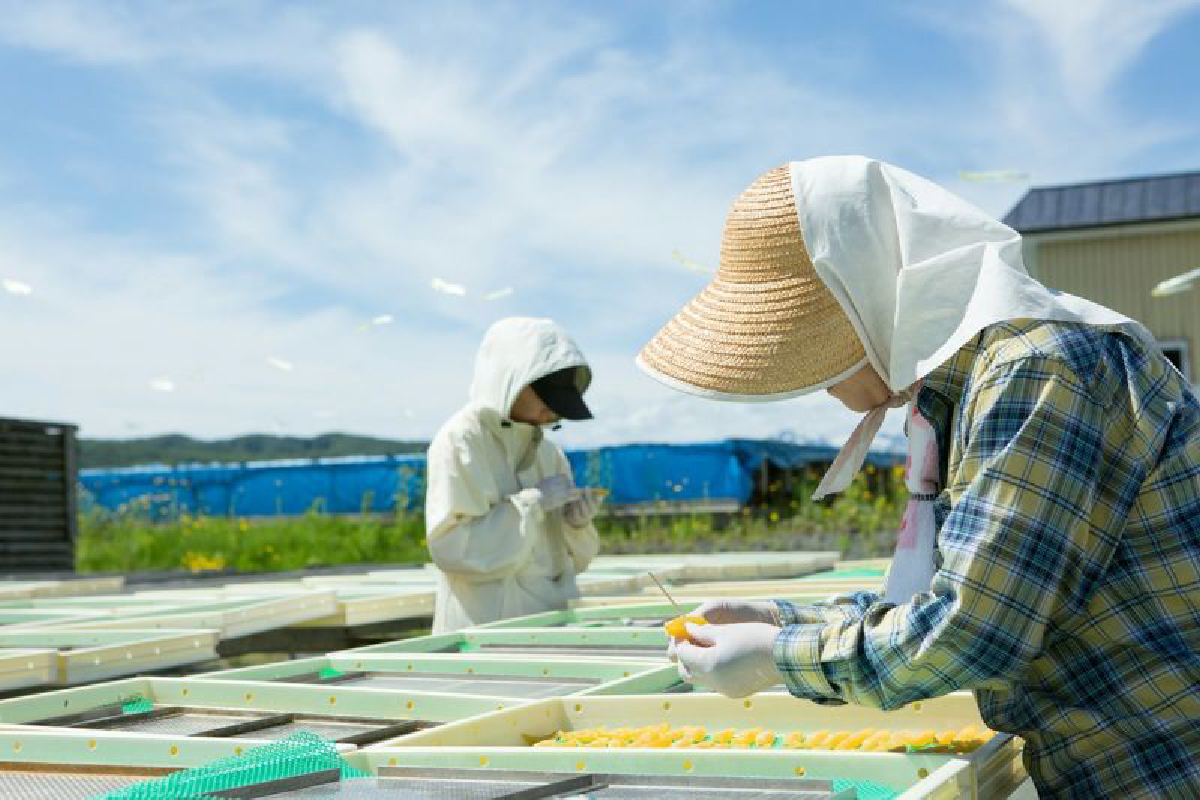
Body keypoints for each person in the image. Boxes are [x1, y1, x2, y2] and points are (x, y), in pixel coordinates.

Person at [639, 157, 1200, 798]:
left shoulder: (1037, 370)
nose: (820, 381)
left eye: (816, 348)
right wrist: (771, 616)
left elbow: (970, 634)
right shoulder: (957, 396)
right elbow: (931, 601)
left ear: (867, 299)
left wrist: (776, 656)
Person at [425, 317, 602, 633]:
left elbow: (574, 562)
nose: (553, 414)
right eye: (547, 401)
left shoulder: (549, 453)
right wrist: (532, 503)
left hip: (552, 622)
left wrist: (576, 526)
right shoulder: (462, 441)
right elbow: (453, 550)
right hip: (486, 630)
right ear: (512, 382)